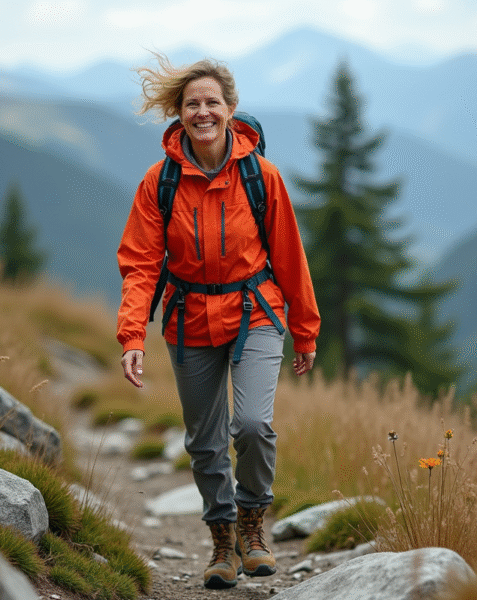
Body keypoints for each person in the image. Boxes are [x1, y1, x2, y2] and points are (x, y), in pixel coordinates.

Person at [117, 53, 320, 590]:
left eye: (212, 102)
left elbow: (291, 256)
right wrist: (132, 335)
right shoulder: (159, 182)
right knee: (204, 442)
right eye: (192, 104)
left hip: (256, 311)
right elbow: (140, 265)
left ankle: (254, 524)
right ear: (179, 114)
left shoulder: (261, 176)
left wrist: (305, 329)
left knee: (252, 424)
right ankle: (222, 543)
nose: (202, 112)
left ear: (231, 108)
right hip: (188, 319)